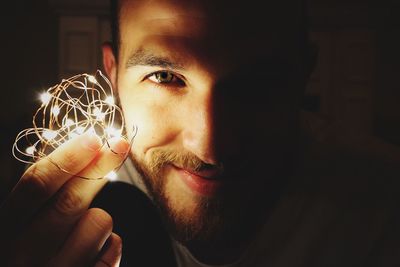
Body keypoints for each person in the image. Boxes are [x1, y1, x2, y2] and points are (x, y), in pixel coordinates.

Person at [1, 0, 399, 266]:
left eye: (256, 83)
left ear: (304, 73)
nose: (209, 146)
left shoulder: (384, 207)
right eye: (165, 76)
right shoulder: (40, 211)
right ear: (113, 71)